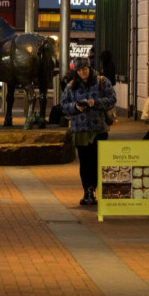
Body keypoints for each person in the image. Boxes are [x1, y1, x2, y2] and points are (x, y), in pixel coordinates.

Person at [59, 57, 116, 206]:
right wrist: (76, 107)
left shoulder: (102, 82)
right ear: (76, 72)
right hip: (80, 129)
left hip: (99, 129)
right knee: (85, 162)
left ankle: (94, 189)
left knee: (97, 161)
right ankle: (87, 191)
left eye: (84, 69)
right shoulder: (71, 86)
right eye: (79, 70)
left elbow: (112, 100)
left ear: (89, 68)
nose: (82, 72)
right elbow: (63, 106)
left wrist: (95, 103)